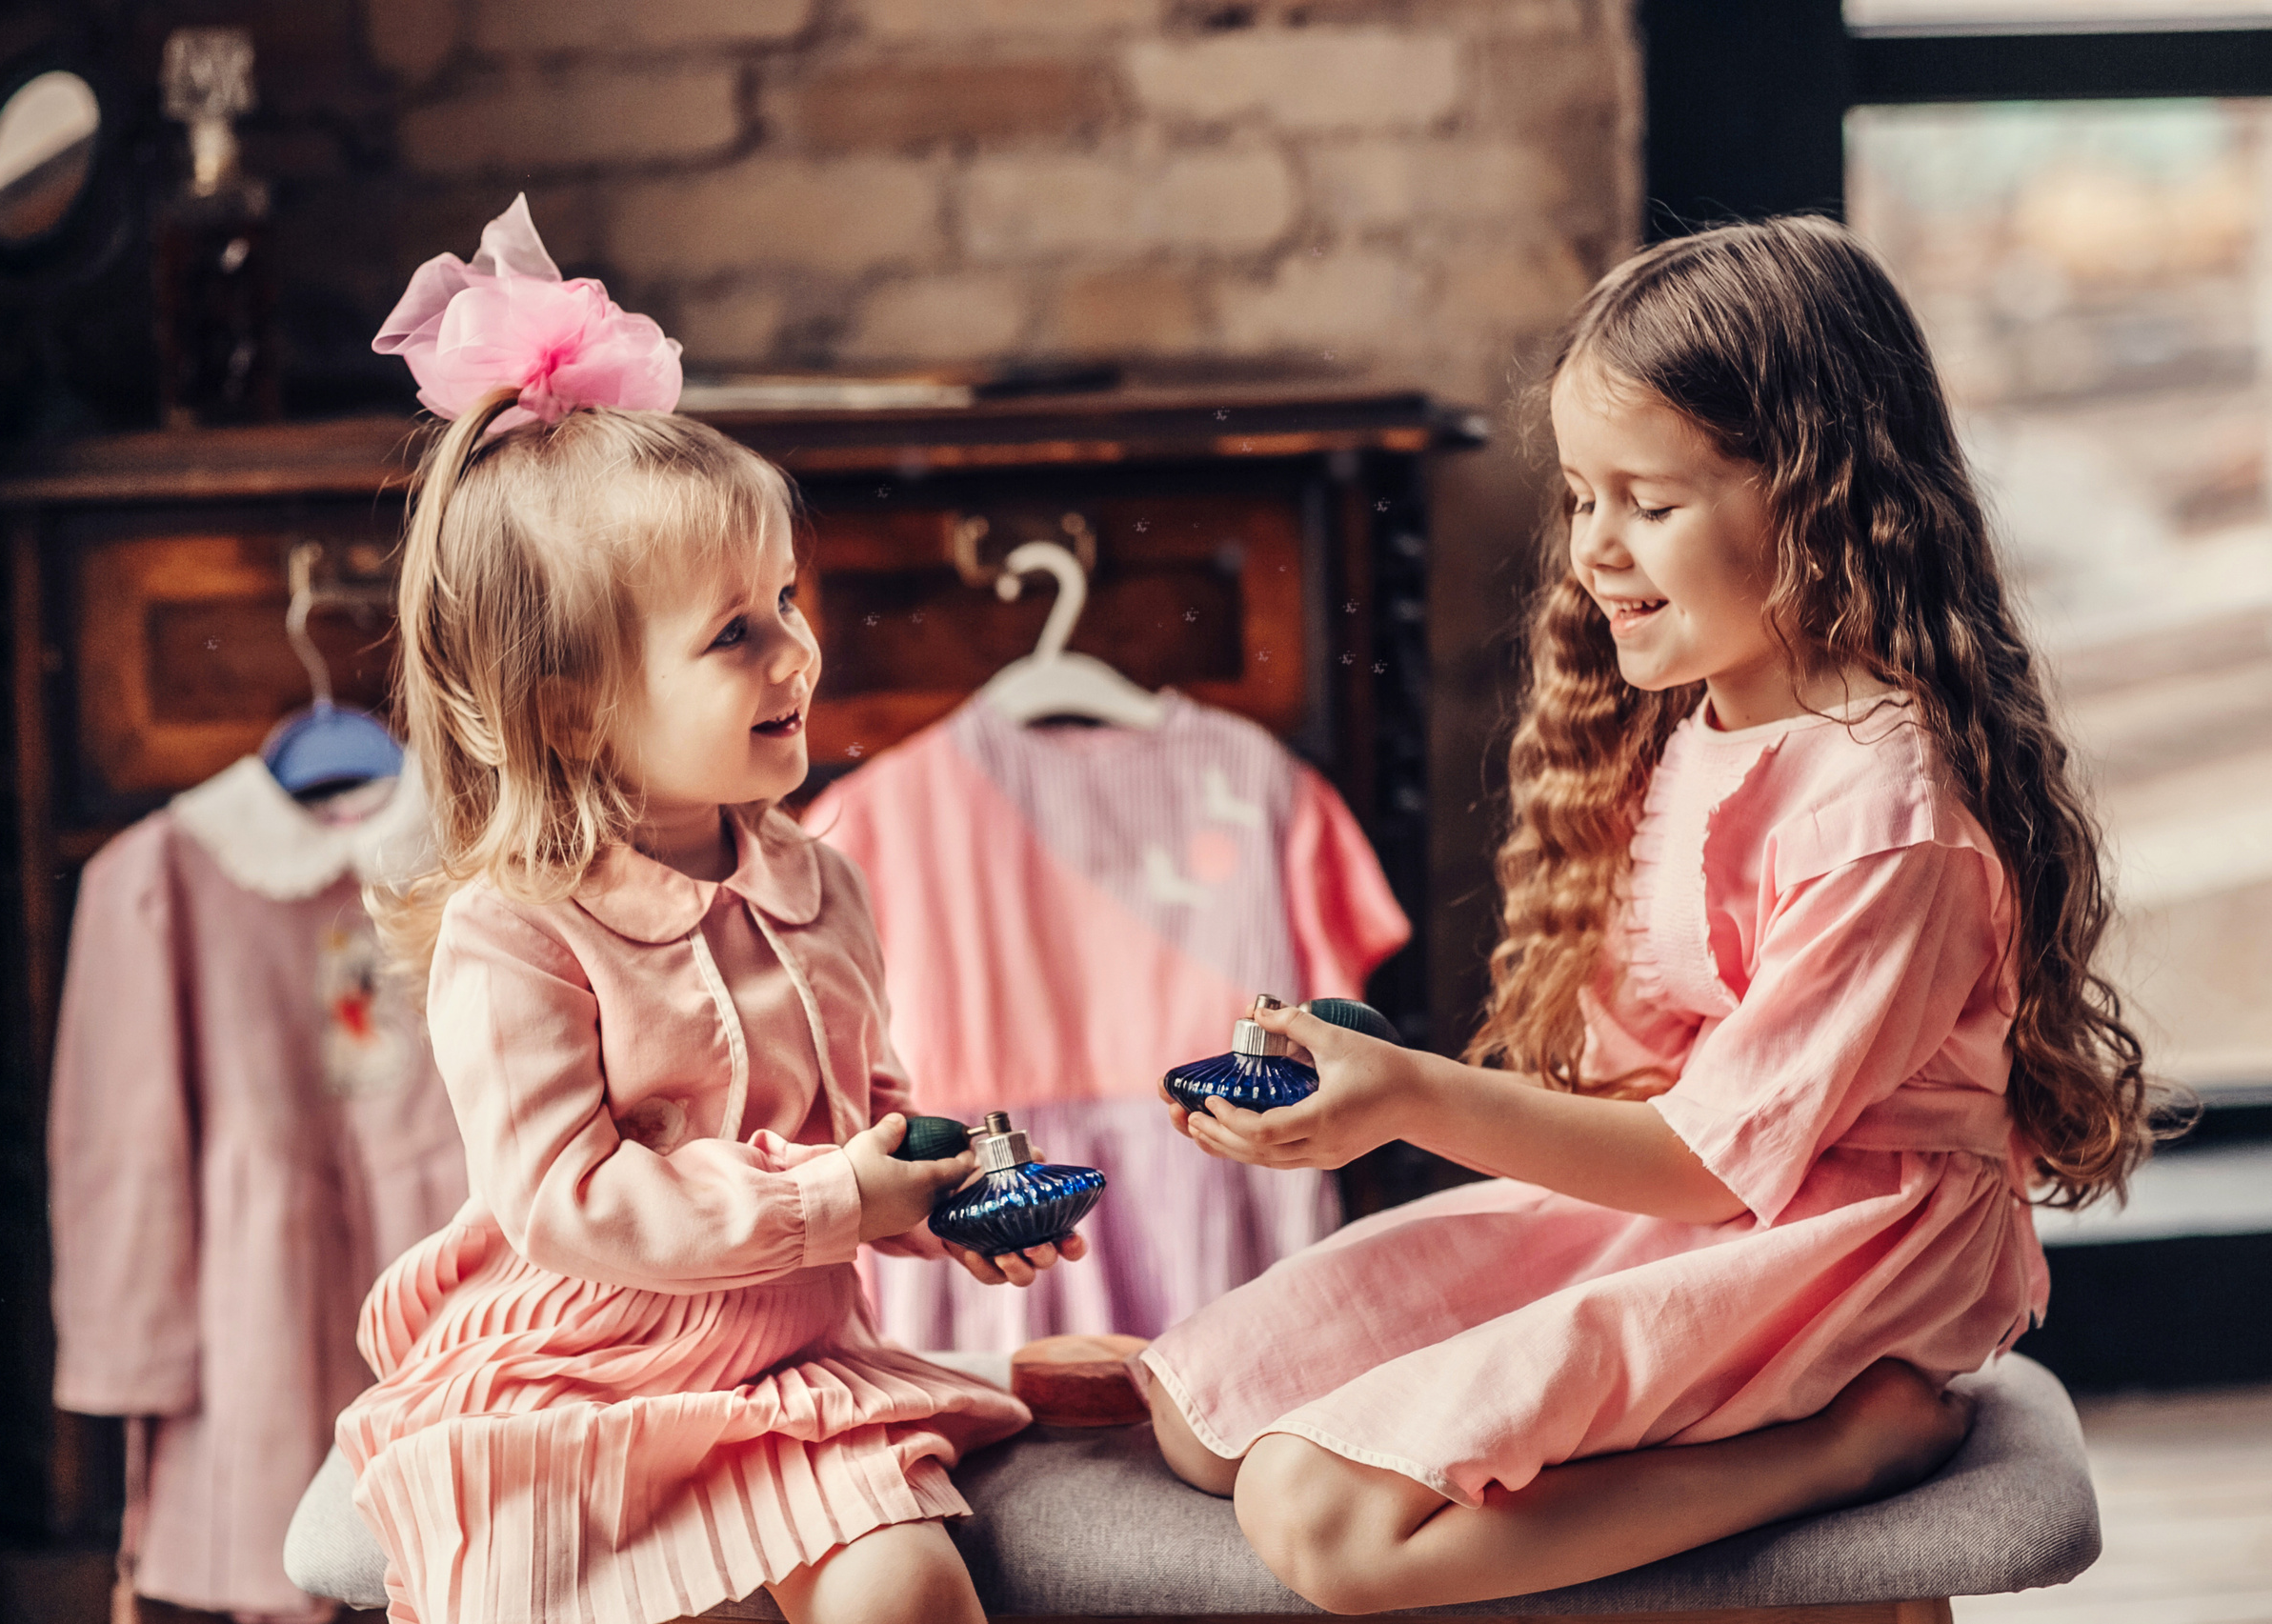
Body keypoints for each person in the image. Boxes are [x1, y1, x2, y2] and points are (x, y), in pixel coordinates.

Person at [1140, 215, 2155, 1614]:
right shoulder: (1710, 721)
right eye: (1582, 496)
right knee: (1206, 1417)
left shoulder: (1887, 824)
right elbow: (1649, 1090)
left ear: (1824, 501)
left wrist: (1409, 1101)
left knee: (1323, 1523)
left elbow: (1709, 1165)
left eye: (1652, 503)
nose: (1597, 552)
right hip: (1711, 1195)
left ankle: (1837, 1449)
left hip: (1842, 1242)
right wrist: (1355, 1066)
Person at [332, 197, 1079, 1624]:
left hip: (789, 1370)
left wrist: (946, 1195)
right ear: (572, 706)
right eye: (734, 632)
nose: (795, 648)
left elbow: (864, 1113)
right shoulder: (522, 934)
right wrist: (823, 1201)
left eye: (787, 599)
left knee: (908, 1590)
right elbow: (569, 1200)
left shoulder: (821, 880)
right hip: (580, 1374)